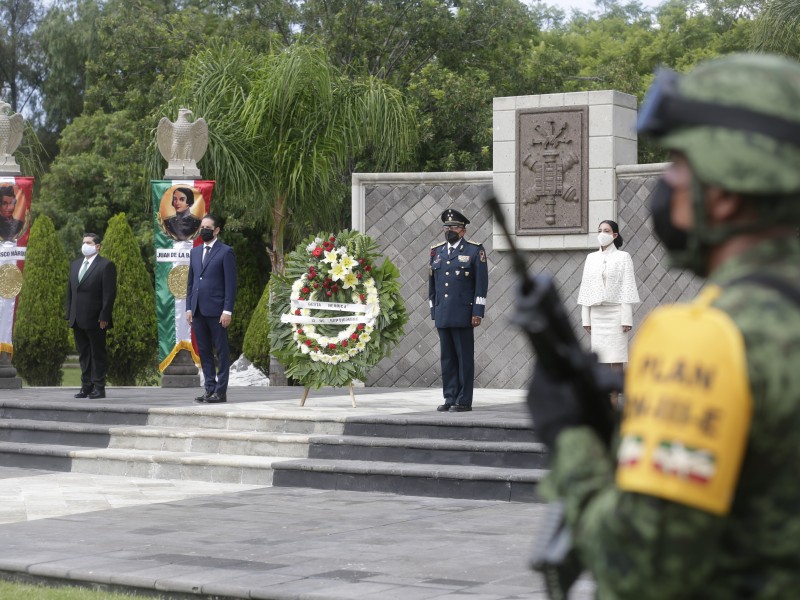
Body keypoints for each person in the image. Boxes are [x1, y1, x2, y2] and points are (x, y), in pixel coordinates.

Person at [531, 53, 800, 598]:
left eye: (678, 163)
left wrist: (572, 440)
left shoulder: (705, 339)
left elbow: (639, 565)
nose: (667, 183)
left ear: (724, 190)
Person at [429, 208, 488, 412]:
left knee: (464, 358)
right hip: (443, 313)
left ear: (463, 230)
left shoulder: (474, 250)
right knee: (447, 359)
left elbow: (481, 284)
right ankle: (450, 397)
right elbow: (432, 285)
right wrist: (434, 309)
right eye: (446, 227)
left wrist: (477, 311)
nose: (449, 230)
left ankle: (463, 400)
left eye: (453, 227)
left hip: (464, 313)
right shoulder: (437, 252)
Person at [576, 219, 640, 405]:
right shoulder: (591, 258)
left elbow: (627, 288)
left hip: (616, 314)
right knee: (600, 360)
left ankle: (614, 398)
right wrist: (585, 319)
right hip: (597, 314)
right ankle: (601, 400)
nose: (602, 233)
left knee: (616, 359)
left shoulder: (623, 257)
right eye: (599, 230)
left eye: (606, 230)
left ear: (615, 235)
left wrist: (626, 318)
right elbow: (586, 289)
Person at [186, 214, 237, 403]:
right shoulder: (195, 252)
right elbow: (191, 283)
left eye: (208, 227)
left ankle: (220, 391)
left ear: (216, 230)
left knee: (221, 351)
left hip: (217, 312)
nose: (204, 230)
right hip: (198, 310)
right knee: (204, 351)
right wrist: (189, 307)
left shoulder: (225, 252)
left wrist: (227, 310)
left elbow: (231, 285)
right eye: (202, 226)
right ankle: (209, 388)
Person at [65, 234, 117, 399]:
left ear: (97, 246)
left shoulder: (105, 265)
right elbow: (70, 291)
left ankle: (99, 388)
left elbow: (109, 294)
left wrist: (105, 316)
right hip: (77, 318)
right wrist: (69, 313)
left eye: (88, 242)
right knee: (84, 354)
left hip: (96, 319)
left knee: (97, 353)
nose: (85, 245)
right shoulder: (75, 265)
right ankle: (86, 386)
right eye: (83, 242)